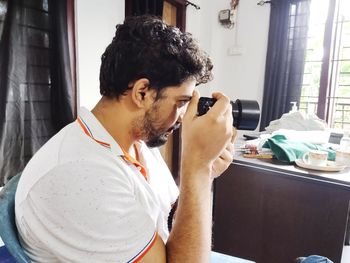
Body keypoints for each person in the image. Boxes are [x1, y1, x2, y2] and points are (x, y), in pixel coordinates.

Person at [15, 15, 235, 262]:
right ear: (142, 93)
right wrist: (198, 170)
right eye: (181, 102)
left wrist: (205, 168)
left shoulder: (137, 143)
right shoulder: (82, 173)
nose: (183, 116)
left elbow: (170, 218)